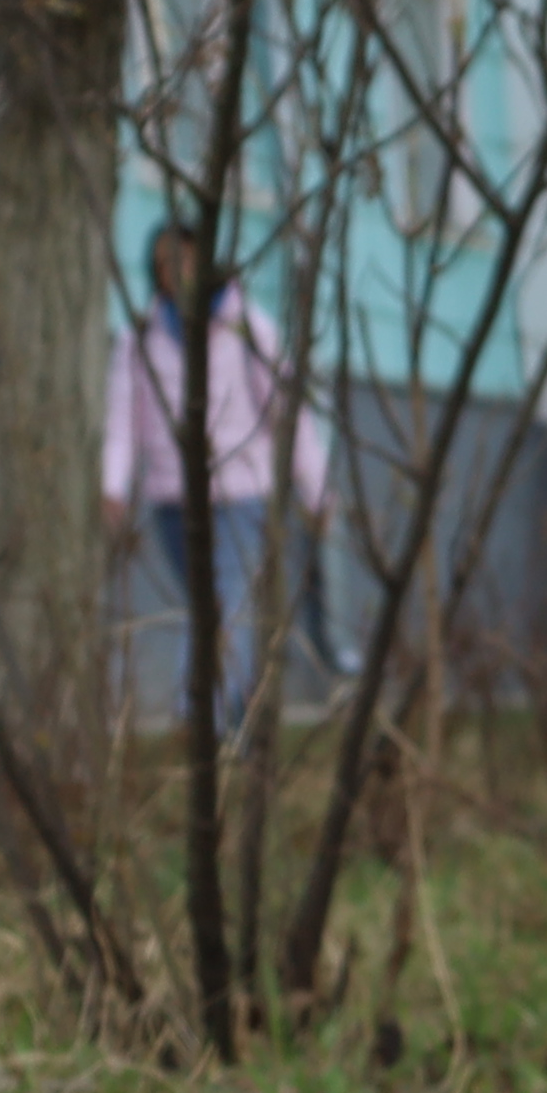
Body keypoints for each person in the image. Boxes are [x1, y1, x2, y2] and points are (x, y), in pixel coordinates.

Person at [103, 224, 324, 736]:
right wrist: (113, 486)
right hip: (172, 500)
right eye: (162, 264)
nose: (174, 272)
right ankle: (239, 727)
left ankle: (198, 723)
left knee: (225, 606)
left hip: (240, 493)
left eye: (183, 259)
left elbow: (287, 412)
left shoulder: (248, 328)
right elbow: (121, 421)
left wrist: (317, 488)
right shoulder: (138, 340)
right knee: (211, 611)